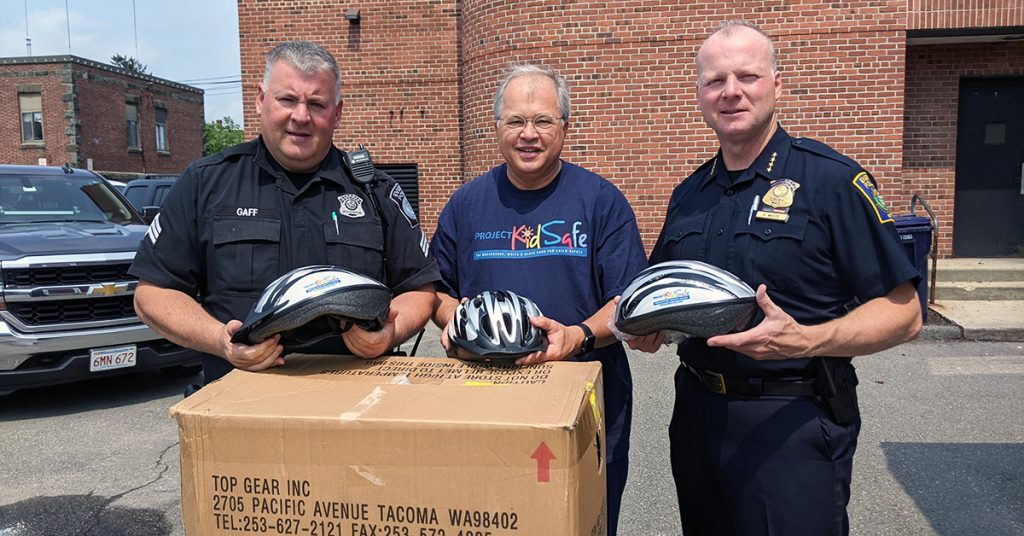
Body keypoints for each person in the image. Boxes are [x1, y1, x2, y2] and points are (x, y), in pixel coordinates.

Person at [630, 21, 923, 535]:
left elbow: (906, 313)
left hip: (793, 419)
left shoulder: (832, 181)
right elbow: (671, 297)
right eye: (715, 81)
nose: (731, 91)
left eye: (748, 76)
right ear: (699, 95)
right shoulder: (689, 195)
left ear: (777, 85)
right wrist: (650, 329)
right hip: (698, 417)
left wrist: (808, 340)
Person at [130, 41, 440, 388]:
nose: (301, 116)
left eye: (317, 104)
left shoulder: (375, 189)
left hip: (356, 404)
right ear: (261, 99)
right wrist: (220, 339)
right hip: (239, 400)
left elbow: (419, 288)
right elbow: (153, 293)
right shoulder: (207, 182)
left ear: (337, 112)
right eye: (287, 99)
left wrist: (390, 332)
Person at [430, 63, 647, 535]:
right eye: (516, 121)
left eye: (543, 121)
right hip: (487, 402)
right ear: (497, 128)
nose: (529, 134)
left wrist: (578, 335)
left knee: (581, 520)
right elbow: (436, 290)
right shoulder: (466, 204)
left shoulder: (601, 202)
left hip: (583, 400)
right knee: (493, 519)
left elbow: (628, 300)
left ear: (564, 127)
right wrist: (458, 318)